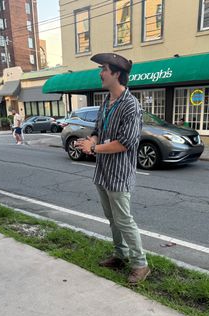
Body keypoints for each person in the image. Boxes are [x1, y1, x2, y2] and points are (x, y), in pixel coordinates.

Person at [75, 53, 150, 284]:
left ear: (116, 73)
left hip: (119, 174)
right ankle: (120, 255)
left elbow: (125, 143)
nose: (100, 73)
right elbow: (98, 129)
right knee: (112, 219)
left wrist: (95, 148)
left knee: (124, 220)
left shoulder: (131, 106)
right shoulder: (106, 102)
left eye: (104, 69)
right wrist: (91, 141)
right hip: (103, 172)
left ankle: (141, 264)